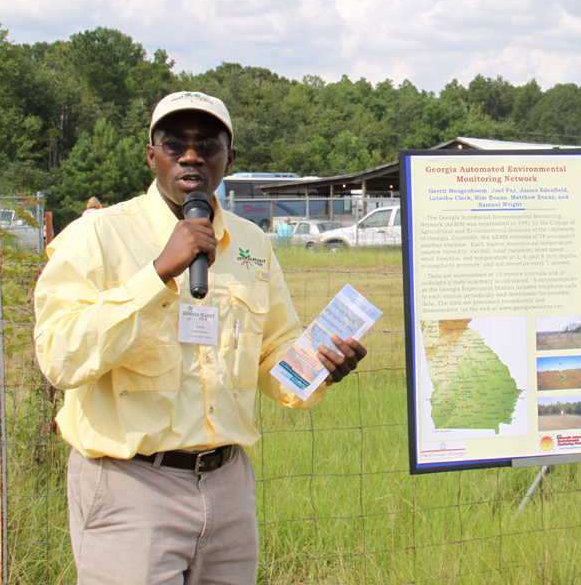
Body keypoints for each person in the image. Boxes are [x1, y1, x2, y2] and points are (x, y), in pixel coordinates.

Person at [34, 91, 366, 584]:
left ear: (229, 159)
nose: (191, 156)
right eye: (175, 144)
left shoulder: (252, 245)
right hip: (131, 486)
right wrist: (157, 273)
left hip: (227, 487)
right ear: (152, 155)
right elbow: (60, 358)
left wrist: (319, 367)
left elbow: (274, 353)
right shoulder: (99, 236)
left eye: (207, 144)